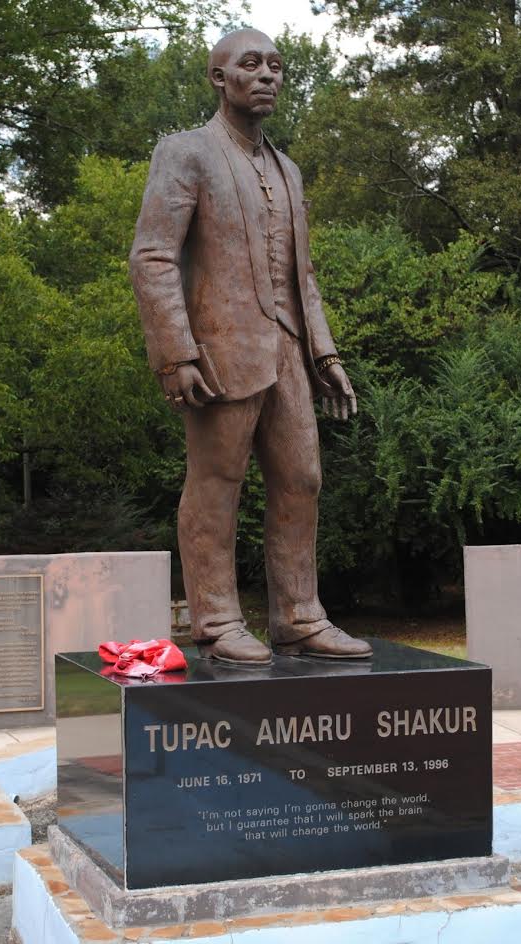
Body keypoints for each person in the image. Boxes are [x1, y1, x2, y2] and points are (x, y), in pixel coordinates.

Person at [130, 28, 372, 665]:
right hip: (219, 354)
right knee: (217, 481)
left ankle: (297, 616)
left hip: (288, 351)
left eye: (275, 65)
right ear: (219, 77)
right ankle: (216, 621)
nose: (266, 74)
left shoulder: (288, 170)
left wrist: (325, 354)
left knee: (303, 479)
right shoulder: (186, 153)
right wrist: (176, 352)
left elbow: (304, 275)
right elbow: (152, 257)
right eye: (250, 64)